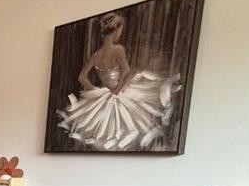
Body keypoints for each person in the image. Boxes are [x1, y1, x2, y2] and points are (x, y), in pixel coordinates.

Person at [58, 12, 181, 151]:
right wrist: (117, 90)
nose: (120, 33)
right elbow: (127, 71)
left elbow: (81, 78)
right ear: (116, 30)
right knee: (126, 128)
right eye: (120, 29)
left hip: (103, 94)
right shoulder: (118, 50)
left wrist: (94, 90)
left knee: (106, 132)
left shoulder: (96, 55)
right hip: (118, 91)